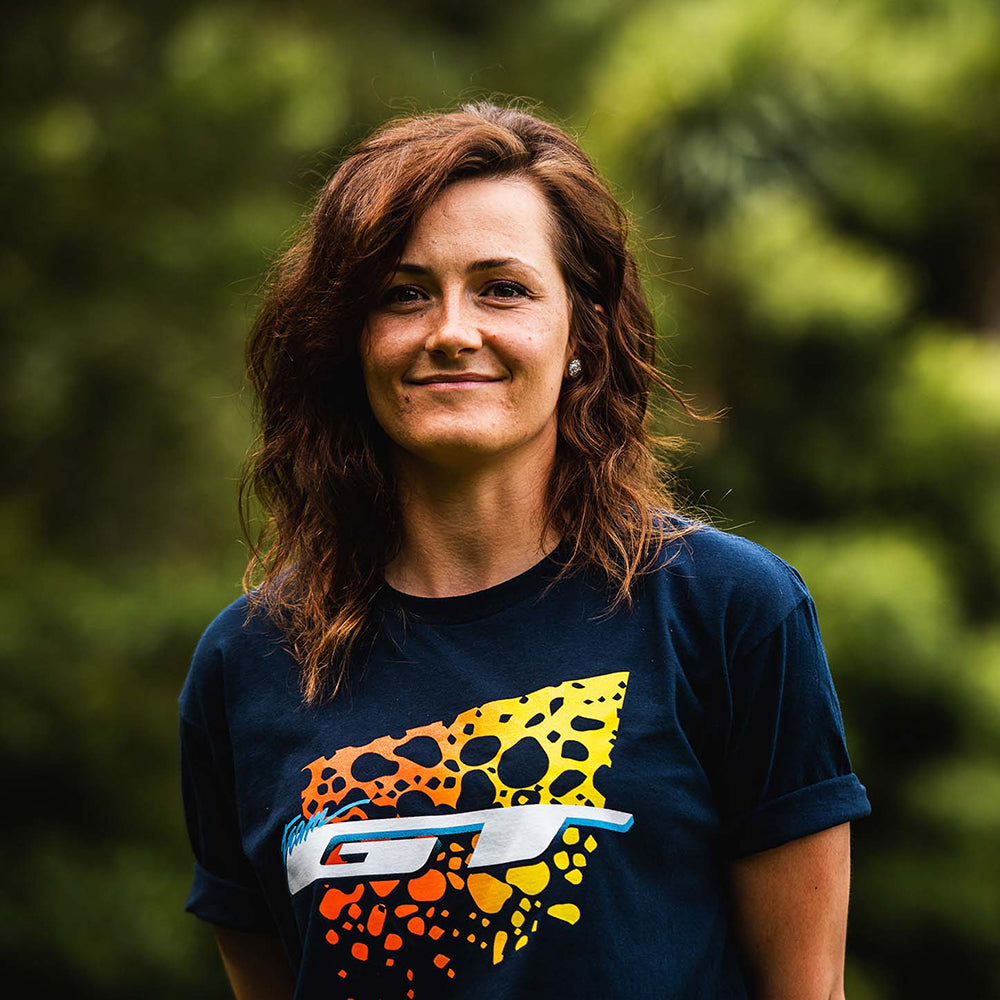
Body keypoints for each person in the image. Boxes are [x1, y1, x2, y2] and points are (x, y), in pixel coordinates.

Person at [179, 101, 871, 1000]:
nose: (451, 331)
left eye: (502, 289)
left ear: (582, 332)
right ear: (350, 341)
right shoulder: (247, 663)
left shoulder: (729, 613)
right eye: (403, 294)